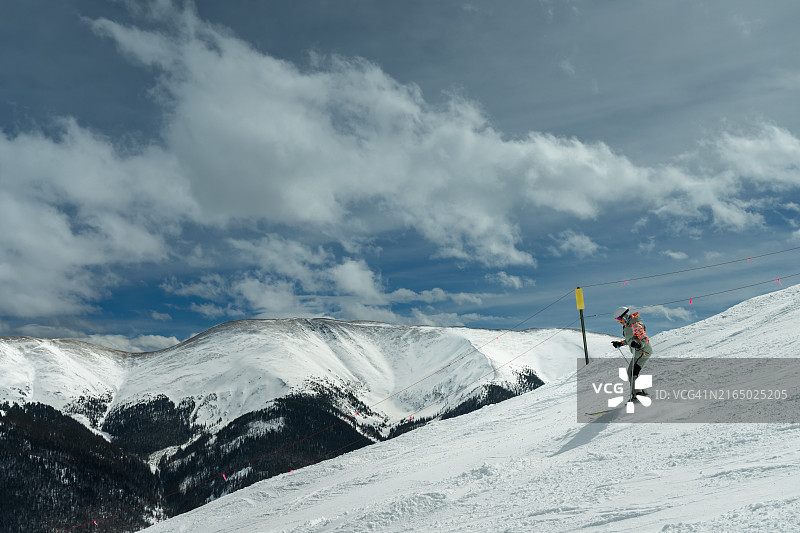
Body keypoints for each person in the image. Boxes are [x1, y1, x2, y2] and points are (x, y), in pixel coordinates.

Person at [611, 305, 653, 399]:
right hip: (639, 351)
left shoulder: (636, 325)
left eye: (619, 319)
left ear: (625, 316)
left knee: (632, 372)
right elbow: (630, 340)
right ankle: (642, 393)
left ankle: (638, 395)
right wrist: (620, 343)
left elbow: (644, 339)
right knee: (631, 372)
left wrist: (638, 345)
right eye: (617, 320)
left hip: (643, 351)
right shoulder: (627, 326)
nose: (619, 321)